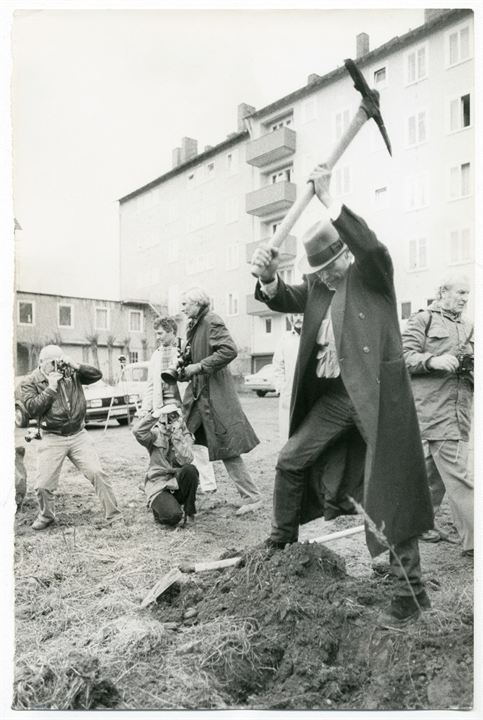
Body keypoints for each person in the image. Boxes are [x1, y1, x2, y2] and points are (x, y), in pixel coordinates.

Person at [251, 164, 434, 626]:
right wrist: (269, 277)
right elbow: (280, 296)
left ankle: (409, 595)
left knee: (389, 488)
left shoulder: (372, 275)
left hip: (376, 399)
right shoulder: (317, 284)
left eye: (329, 268)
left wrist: (331, 200)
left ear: (344, 257)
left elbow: (372, 246)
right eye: (317, 273)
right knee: (290, 459)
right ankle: (281, 544)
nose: (323, 279)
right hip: (335, 400)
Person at [402, 275, 474, 557]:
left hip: (458, 411)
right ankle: (474, 541)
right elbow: (402, 356)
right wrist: (432, 360)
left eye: (468, 293)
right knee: (459, 478)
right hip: (431, 411)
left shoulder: (468, 327)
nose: (465, 298)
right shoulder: (423, 320)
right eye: (460, 292)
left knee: (433, 476)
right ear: (442, 292)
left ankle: (419, 525)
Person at [180, 287, 263, 515]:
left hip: (213, 395)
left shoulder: (212, 321)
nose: (182, 307)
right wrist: (185, 363)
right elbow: (197, 354)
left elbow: (229, 350)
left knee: (227, 446)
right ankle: (170, 488)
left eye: (185, 303)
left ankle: (252, 496)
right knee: (179, 436)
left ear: (198, 304)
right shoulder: (195, 325)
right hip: (198, 395)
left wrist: (199, 366)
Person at [21, 344, 122, 530]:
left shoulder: (71, 372)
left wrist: (76, 366)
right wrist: (50, 388)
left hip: (78, 434)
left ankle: (114, 514)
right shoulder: (30, 381)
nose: (56, 366)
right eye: (52, 363)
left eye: (59, 361)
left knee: (97, 472)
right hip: (52, 436)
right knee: (43, 485)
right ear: (41, 363)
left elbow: (96, 375)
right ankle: (46, 516)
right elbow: (32, 409)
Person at [140, 314, 217, 493]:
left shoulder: (185, 349)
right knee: (167, 447)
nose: (157, 337)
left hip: (186, 406)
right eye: (156, 334)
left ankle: (208, 484)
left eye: (160, 333)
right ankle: (178, 481)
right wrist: (146, 408)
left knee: (195, 444)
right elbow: (151, 384)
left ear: (171, 331)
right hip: (163, 409)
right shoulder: (156, 355)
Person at [132, 403, 199, 527]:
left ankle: (189, 512)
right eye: (169, 416)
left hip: (177, 483)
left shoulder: (184, 434)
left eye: (175, 415)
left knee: (191, 470)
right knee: (172, 517)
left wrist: (177, 435)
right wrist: (154, 415)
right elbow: (137, 432)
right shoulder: (155, 434)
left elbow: (187, 459)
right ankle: (160, 509)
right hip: (158, 485)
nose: (172, 419)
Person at [272, 314, 303, 440]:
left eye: (301, 314)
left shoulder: (314, 336)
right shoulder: (285, 338)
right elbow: (278, 366)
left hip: (309, 392)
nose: (298, 318)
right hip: (289, 394)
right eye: (295, 315)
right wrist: (281, 388)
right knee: (288, 433)